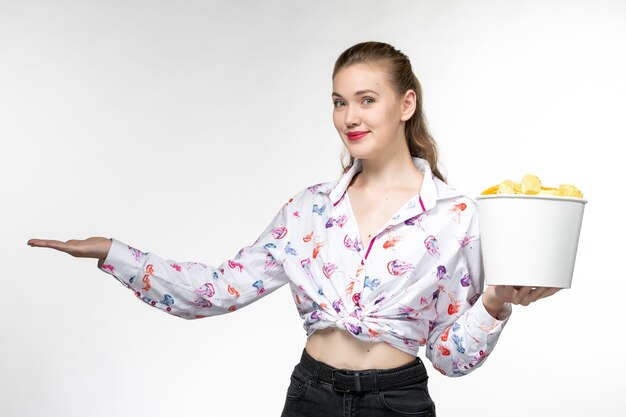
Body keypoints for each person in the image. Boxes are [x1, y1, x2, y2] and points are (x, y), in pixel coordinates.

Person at [28, 41, 561, 417]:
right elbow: (214, 289)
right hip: (312, 396)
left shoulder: (457, 217)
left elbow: (450, 358)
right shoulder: (308, 212)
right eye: (338, 101)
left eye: (366, 99)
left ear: (406, 104)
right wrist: (113, 253)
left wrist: (494, 303)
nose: (348, 116)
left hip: (398, 402)